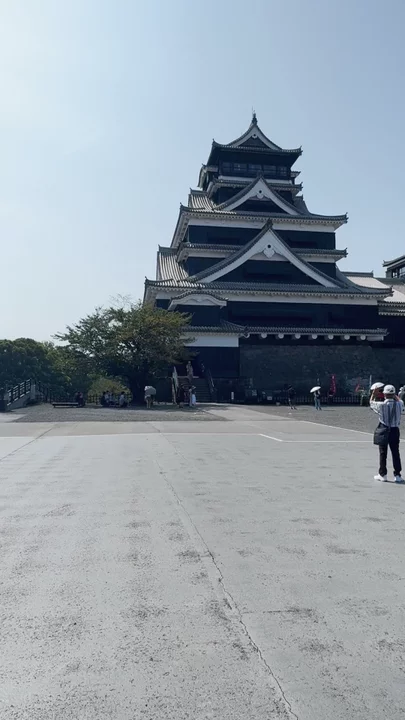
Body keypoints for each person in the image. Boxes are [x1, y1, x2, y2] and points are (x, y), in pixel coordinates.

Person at [370, 384, 404, 483]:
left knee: (383, 453)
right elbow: (398, 400)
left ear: (384, 394)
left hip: (384, 429)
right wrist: (394, 395)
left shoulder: (381, 405)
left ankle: (383, 474)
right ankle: (397, 475)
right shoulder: (399, 404)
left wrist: (374, 394)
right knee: (395, 452)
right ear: (394, 394)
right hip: (395, 430)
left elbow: (371, 403)